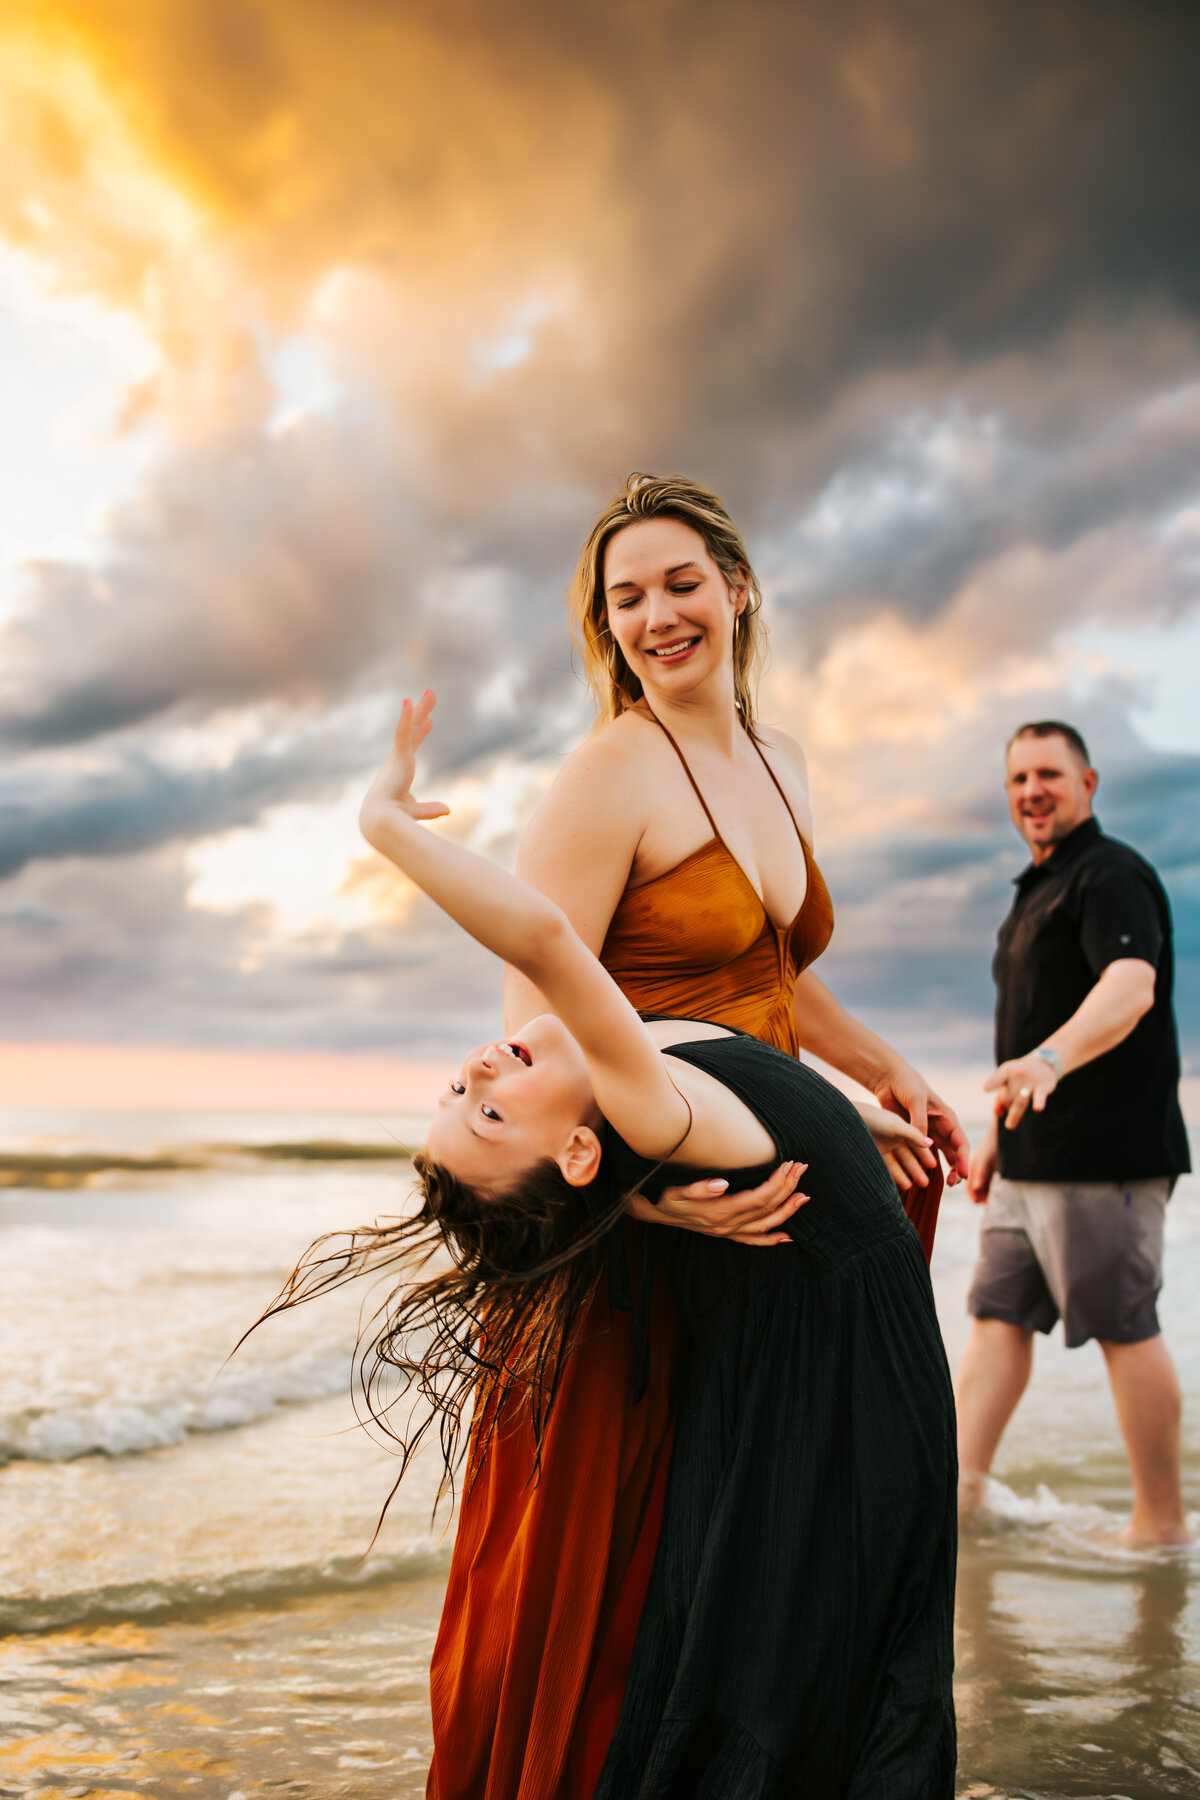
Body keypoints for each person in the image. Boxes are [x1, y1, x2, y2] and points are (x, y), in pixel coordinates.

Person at [425, 474, 968, 1797]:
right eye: (627, 600)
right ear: (604, 630)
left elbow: (773, 970)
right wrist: (641, 1202)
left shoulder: (772, 761)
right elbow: (531, 1008)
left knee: (798, 1542)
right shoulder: (612, 769)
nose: (659, 617)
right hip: (656, 1200)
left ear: (738, 588)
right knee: (641, 1575)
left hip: (768, 1172)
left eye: (680, 584)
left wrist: (881, 1072)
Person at [956, 720, 1191, 1544]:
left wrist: (1050, 1063)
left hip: (1105, 1155)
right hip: (1029, 1158)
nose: (1032, 791)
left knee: (1125, 1331)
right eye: (1018, 777)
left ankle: (1161, 1527)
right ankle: (961, 1499)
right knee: (995, 1321)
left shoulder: (1113, 874)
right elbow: (1027, 1027)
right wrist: (999, 1132)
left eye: (1049, 774)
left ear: (1088, 784)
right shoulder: (1035, 891)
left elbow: (1130, 986)